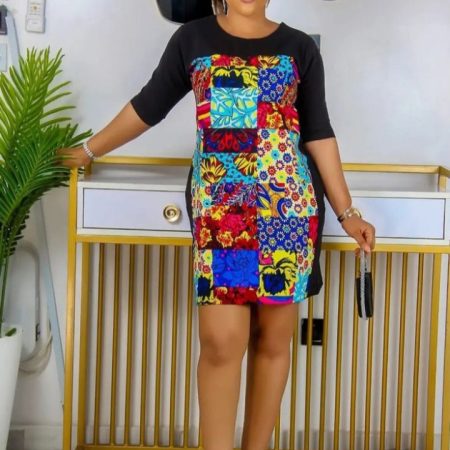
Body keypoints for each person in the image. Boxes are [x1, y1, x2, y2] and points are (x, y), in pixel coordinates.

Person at [57, 1, 376, 449]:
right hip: (224, 212)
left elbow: (318, 132)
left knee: (273, 341)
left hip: (286, 210)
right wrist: (88, 151)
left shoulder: (300, 47)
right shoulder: (193, 39)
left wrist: (347, 212)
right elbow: (149, 105)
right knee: (222, 340)